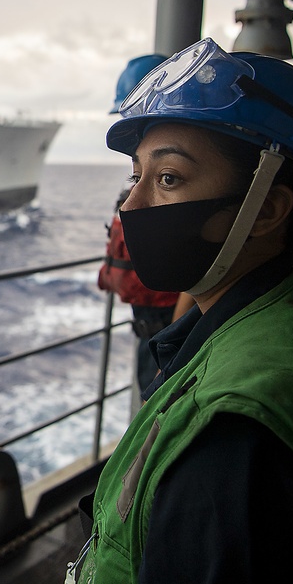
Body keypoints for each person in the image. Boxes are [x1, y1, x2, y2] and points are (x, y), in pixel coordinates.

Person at [72, 37, 293, 584]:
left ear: (268, 209)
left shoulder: (233, 426)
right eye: (137, 176)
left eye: (169, 179)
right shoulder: (275, 317)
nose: (130, 206)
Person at [98, 54, 179, 413]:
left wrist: (177, 344)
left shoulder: (181, 194)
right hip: (150, 331)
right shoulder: (143, 186)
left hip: (169, 332)